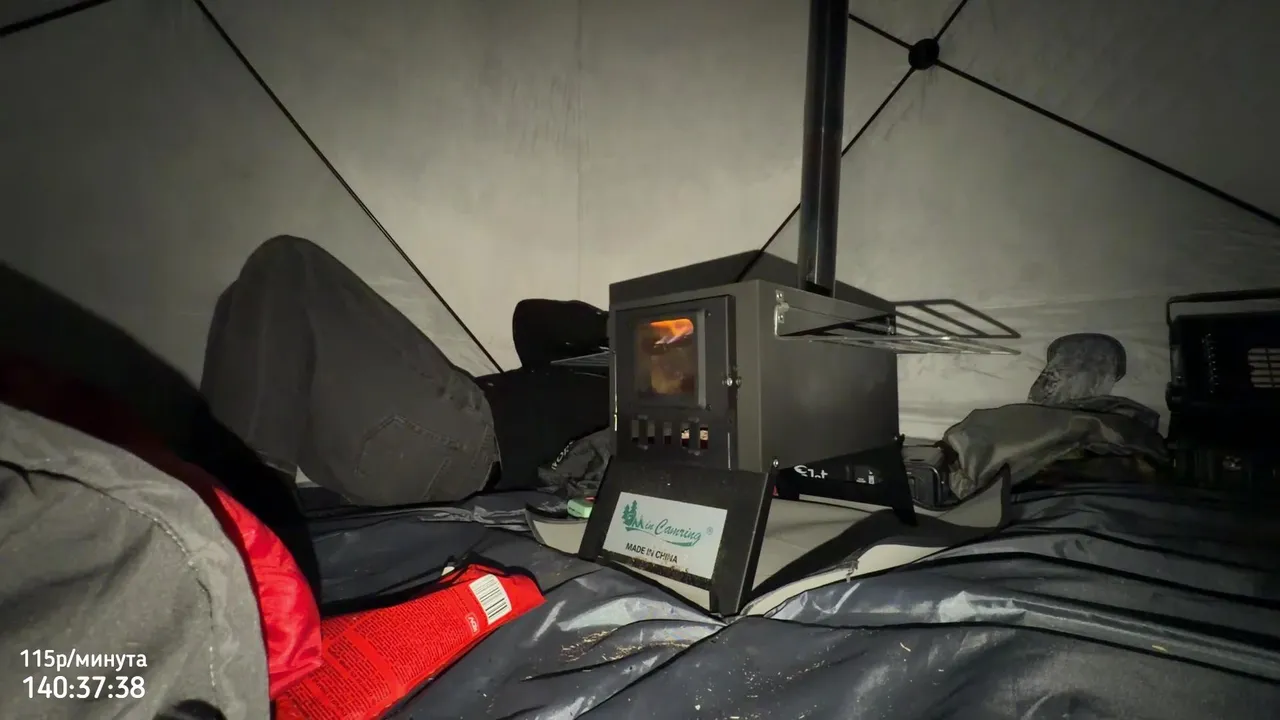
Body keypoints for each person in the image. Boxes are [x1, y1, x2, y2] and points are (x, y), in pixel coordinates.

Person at [200, 235, 608, 509]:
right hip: (406, 446)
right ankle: (217, 493)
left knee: (288, 263)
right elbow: (530, 319)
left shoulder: (634, 412)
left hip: (467, 444)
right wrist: (616, 326)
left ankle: (254, 506)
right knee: (242, 305)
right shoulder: (598, 362)